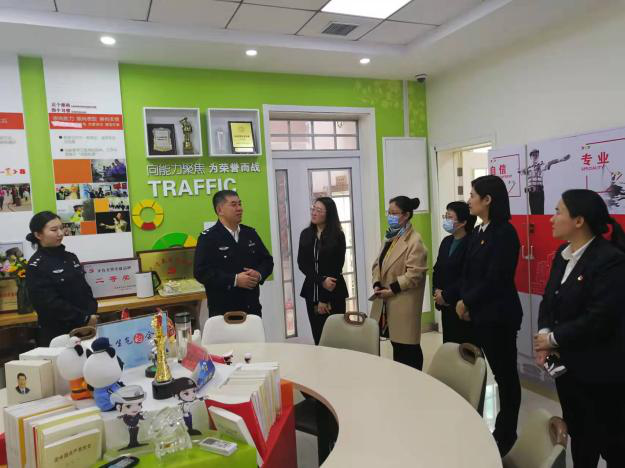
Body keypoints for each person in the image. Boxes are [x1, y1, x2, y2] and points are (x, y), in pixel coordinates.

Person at [534, 189, 625, 468]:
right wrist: (544, 334)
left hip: (601, 372)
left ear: (578, 221)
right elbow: (549, 300)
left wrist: (553, 338)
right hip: (568, 369)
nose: (551, 218)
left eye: (558, 211)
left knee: (612, 444)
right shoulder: (563, 255)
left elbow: (599, 318)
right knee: (581, 438)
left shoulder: (609, 259)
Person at [456, 175, 522, 455]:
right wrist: (464, 302)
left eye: (473, 195)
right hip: (478, 313)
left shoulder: (504, 233)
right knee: (482, 371)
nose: (469, 200)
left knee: (505, 377)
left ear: (487, 200)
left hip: (498, 316)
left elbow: (496, 278)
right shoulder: (479, 230)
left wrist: (467, 301)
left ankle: (505, 434)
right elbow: (469, 272)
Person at [194, 190, 273, 317]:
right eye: (233, 204)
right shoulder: (208, 238)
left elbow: (267, 261)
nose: (239, 208)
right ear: (220, 210)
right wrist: (234, 280)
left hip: (252, 309)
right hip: (223, 313)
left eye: (240, 204)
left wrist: (259, 274)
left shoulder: (250, 233)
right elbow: (201, 272)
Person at [371, 196, 427, 370]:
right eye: (389, 212)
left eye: (394, 213)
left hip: (403, 302)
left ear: (406, 215)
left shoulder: (414, 240)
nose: (390, 216)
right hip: (387, 300)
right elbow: (377, 264)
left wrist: (392, 289)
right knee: (397, 347)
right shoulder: (390, 236)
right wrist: (376, 283)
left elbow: (415, 274)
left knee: (408, 350)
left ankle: (414, 383)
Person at [25, 211, 98, 346]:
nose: (60, 233)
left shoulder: (71, 257)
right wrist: (84, 318)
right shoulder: (36, 266)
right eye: (54, 230)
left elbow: (85, 290)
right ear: (38, 235)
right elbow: (49, 304)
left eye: (61, 228)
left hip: (86, 328)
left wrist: (91, 313)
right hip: (59, 334)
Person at [297, 197, 348, 345]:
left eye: (319, 210)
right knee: (319, 338)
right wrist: (320, 280)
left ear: (328, 214)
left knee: (335, 339)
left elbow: (336, 267)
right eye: (313, 209)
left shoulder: (338, 235)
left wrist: (324, 299)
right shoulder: (306, 234)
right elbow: (302, 264)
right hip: (312, 291)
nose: (314, 213)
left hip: (333, 292)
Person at [432, 201, 476, 345]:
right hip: (445, 305)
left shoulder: (472, 243)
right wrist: (436, 292)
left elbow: (467, 277)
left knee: (464, 349)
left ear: (463, 222)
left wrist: (446, 295)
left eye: (449, 217)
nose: (446, 220)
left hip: (462, 306)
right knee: (449, 347)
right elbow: (437, 269)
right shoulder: (446, 241)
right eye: (445, 216)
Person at [518, 149, 570, 215]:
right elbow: (519, 172)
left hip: (539, 191)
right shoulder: (528, 168)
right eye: (533, 155)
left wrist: (561, 159)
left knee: (540, 212)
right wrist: (522, 170)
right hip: (531, 192)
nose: (535, 156)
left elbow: (550, 162)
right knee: (533, 212)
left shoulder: (541, 165)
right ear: (530, 157)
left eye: (537, 155)